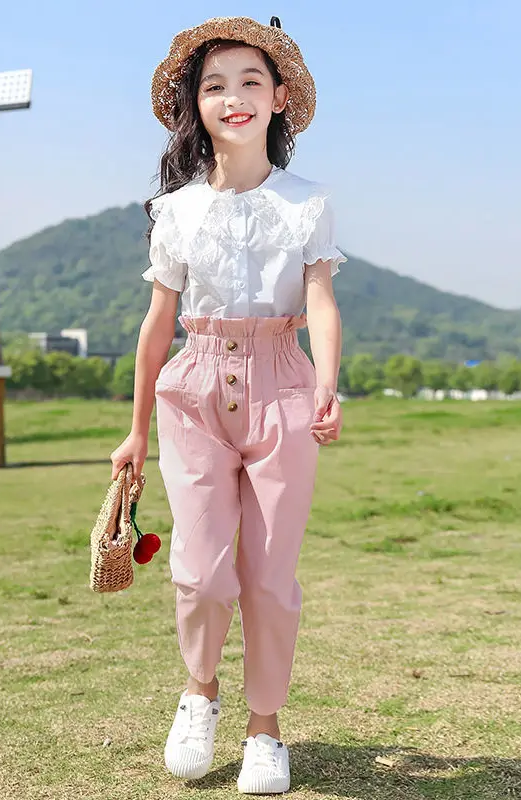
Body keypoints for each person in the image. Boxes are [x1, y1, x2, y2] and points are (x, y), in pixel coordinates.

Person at [110, 15, 345, 795]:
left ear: (279, 99)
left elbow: (321, 301)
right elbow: (157, 323)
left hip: (283, 383)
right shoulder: (175, 210)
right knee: (201, 572)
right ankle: (199, 692)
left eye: (250, 81)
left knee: (270, 580)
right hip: (194, 389)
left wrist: (327, 383)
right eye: (215, 85)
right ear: (196, 105)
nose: (233, 97)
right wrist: (134, 431)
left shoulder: (308, 202)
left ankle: (264, 730)